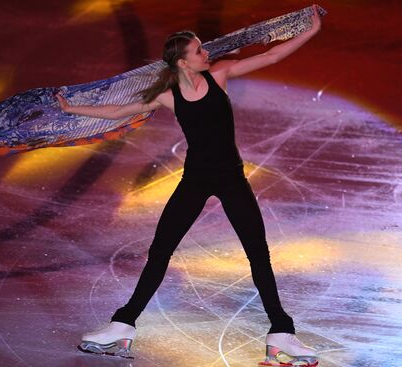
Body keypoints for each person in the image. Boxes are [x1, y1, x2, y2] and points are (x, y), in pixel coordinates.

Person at [56, 5, 321, 366]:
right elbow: (119, 112)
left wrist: (310, 30)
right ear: (182, 62)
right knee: (160, 251)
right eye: (199, 50)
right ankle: (122, 326)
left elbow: (272, 55)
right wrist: (73, 111)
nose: (207, 53)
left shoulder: (220, 76)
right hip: (194, 181)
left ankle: (281, 333)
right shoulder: (167, 96)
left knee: (258, 254)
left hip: (232, 180)